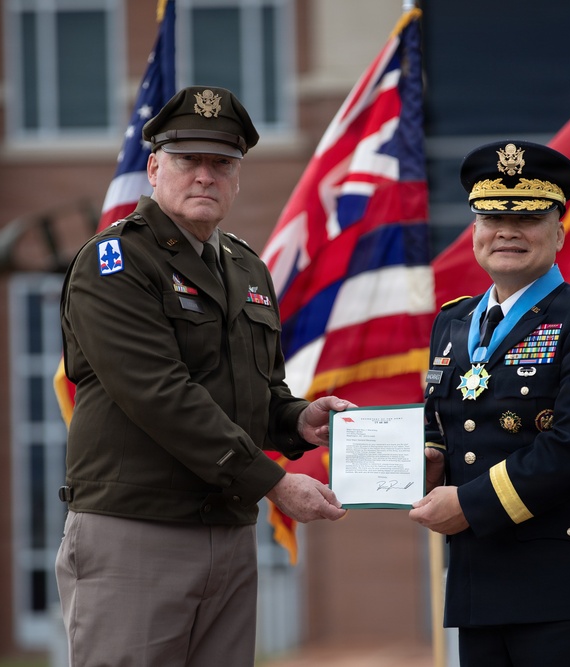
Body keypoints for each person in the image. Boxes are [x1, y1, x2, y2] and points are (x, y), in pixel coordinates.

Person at [55, 85, 350, 667]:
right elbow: (160, 395)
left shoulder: (246, 265)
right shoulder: (114, 263)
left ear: (237, 177)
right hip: (137, 528)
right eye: (189, 160)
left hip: (229, 529)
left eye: (222, 163)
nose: (205, 176)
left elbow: (255, 393)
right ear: (154, 167)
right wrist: (273, 482)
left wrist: (298, 421)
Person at [409, 140, 570, 666]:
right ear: (474, 232)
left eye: (529, 216)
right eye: (490, 216)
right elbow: (441, 428)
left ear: (558, 231)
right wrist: (420, 461)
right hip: (477, 585)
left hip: (566, 588)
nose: (507, 230)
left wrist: (467, 504)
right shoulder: (453, 321)